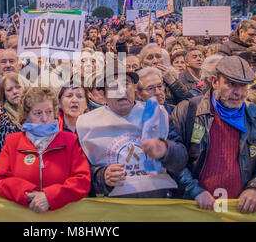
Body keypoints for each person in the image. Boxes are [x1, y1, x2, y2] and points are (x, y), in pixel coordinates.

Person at [171, 56, 256, 213]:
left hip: (239, 210)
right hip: (195, 207)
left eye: (244, 86)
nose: (238, 92)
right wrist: (194, 190)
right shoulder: (188, 110)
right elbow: (174, 160)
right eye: (231, 84)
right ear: (214, 81)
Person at [76, 68, 187, 198]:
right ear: (103, 94)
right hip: (115, 206)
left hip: (159, 199)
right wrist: (101, 176)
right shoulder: (87, 123)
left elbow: (182, 158)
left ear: (134, 89)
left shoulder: (158, 114)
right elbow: (80, 172)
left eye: (126, 84)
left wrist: (167, 149)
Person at [0, 87, 91, 212]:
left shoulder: (69, 140)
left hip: (61, 216)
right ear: (27, 115)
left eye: (48, 112)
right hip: (22, 216)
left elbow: (82, 180)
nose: (44, 118)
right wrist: (28, 194)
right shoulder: (13, 142)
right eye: (38, 113)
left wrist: (50, 197)